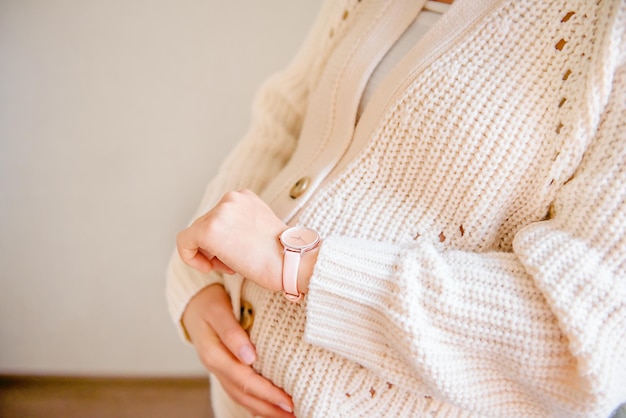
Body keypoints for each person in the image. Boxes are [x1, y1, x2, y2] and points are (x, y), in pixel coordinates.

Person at [167, 0, 626, 416]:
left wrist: (301, 263)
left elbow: (587, 343)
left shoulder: (608, 26)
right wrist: (198, 284)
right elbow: (283, 121)